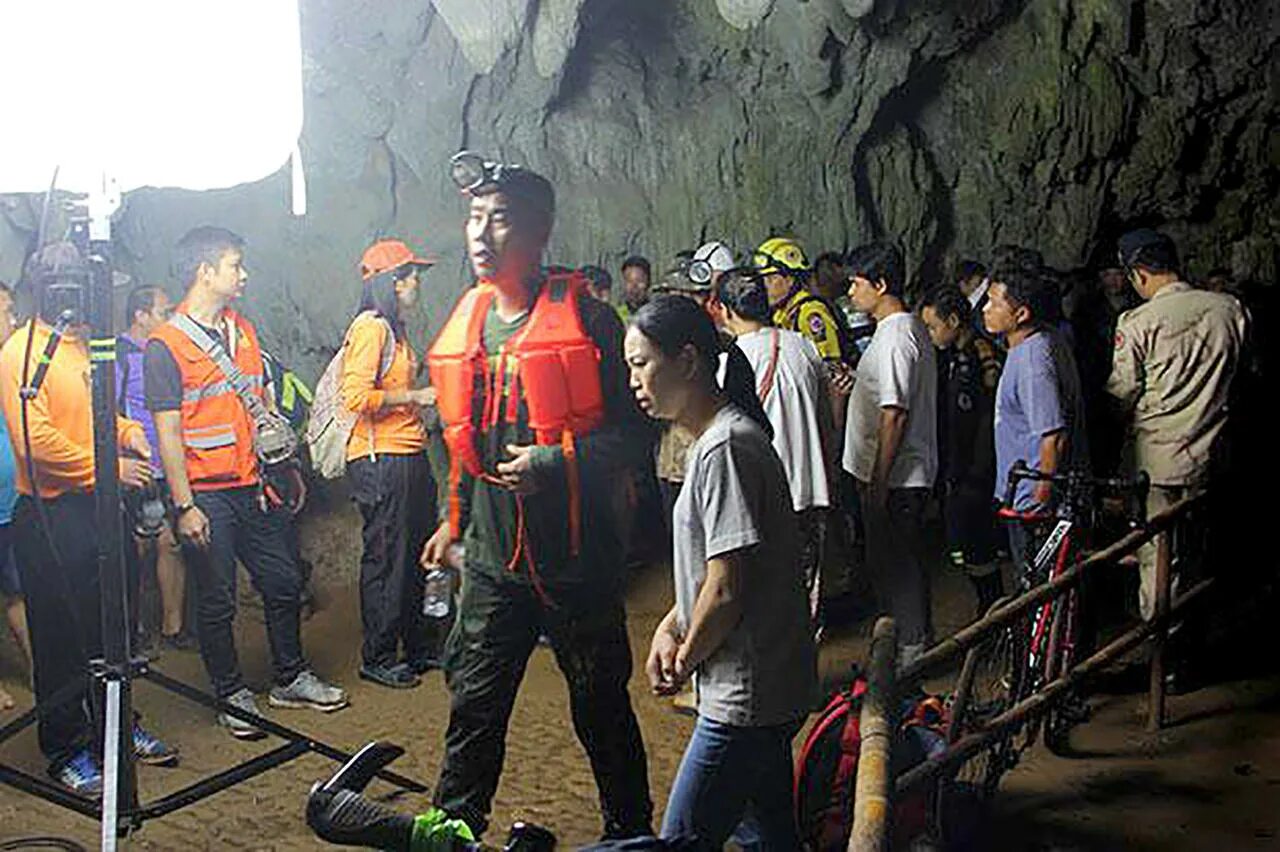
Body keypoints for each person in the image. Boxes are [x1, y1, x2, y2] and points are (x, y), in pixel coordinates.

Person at [422, 154, 652, 839]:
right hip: (494, 562)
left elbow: (637, 434)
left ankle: (629, 831)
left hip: (576, 562)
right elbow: (468, 439)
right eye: (473, 217)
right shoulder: (468, 318)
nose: (482, 234)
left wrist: (556, 461)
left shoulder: (590, 318)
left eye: (500, 219)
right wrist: (451, 519)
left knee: (600, 705)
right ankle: (455, 828)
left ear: (538, 230)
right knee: (475, 703)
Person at [627, 294, 816, 849]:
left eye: (641, 364)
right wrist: (673, 622)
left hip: (744, 696)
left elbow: (730, 586)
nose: (634, 381)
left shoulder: (726, 448)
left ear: (687, 360)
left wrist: (684, 660)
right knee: (769, 834)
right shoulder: (719, 440)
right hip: (760, 689)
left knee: (682, 839)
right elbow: (719, 568)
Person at [146, 226, 348, 740]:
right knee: (216, 599)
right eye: (235, 265)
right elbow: (168, 433)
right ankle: (231, 693)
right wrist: (184, 506)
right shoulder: (165, 347)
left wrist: (284, 470)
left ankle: (289, 677)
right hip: (205, 494)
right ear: (204, 271)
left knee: (282, 581)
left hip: (253, 484)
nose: (243, 275)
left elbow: (260, 407)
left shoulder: (243, 330)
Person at [0, 243, 176, 793]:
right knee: (62, 637)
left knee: (113, 627)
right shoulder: (22, 352)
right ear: (47, 288)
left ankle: (118, 730)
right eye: (68, 282)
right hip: (54, 515)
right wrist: (108, 467)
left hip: (103, 508)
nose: (77, 292)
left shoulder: (87, 348)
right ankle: (67, 748)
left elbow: (105, 414)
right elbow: (39, 444)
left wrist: (127, 433)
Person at [1106, 229, 1246, 622]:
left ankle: (1163, 653)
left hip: (1157, 463)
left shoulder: (1136, 321)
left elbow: (1122, 394)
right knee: (1202, 551)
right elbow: (1246, 373)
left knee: (1158, 560)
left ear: (1138, 274)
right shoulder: (1229, 309)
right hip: (1214, 455)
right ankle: (1195, 640)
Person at [342, 239, 439, 689]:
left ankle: (417, 646)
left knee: (416, 551)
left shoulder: (396, 330)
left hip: (408, 452)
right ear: (392, 282)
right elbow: (355, 397)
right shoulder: (371, 329)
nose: (416, 281)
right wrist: (414, 396)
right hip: (381, 459)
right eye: (410, 274)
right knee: (387, 558)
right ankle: (378, 656)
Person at [713, 268, 832, 630]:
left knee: (761, 593)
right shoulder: (803, 346)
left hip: (758, 496)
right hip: (809, 489)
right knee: (805, 587)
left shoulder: (726, 361)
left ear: (725, 310)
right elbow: (827, 418)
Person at [842, 242, 938, 664]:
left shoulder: (898, 335)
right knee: (893, 562)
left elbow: (894, 414)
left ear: (880, 284)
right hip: (893, 475)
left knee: (901, 565)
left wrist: (879, 481)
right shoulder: (895, 331)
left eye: (856, 283)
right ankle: (903, 642)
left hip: (899, 477)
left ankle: (913, 650)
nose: (850, 292)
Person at [983, 256, 1089, 573]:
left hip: (1034, 499)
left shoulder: (1032, 361)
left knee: (1039, 584)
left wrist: (1041, 499)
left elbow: (1053, 435)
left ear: (1021, 313)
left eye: (993, 302)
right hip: (1029, 489)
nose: (985, 309)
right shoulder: (1042, 341)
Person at [117, 285, 193, 654]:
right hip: (136, 468)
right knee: (136, 549)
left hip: (168, 463)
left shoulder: (166, 349)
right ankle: (132, 630)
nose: (168, 317)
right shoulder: (118, 355)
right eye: (162, 311)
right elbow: (108, 414)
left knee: (171, 543)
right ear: (140, 315)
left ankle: (173, 626)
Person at [920, 287, 1004, 613]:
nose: (930, 334)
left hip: (974, 471)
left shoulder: (978, 357)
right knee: (965, 545)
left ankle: (993, 608)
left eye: (933, 326)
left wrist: (975, 473)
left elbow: (984, 419)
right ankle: (988, 606)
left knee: (977, 544)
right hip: (959, 467)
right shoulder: (953, 356)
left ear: (953, 320)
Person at [0, 282, 31, 712]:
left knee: (21, 591)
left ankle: (42, 671)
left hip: (14, 502)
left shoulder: (13, 366)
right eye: (4, 312)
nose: (12, 321)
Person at [753, 237, 846, 363]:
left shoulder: (810, 313)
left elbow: (831, 363)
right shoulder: (780, 314)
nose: (764, 286)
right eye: (762, 279)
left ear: (790, 280)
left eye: (771, 278)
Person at [618, 255, 652, 324]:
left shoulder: (656, 313)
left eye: (639, 281)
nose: (634, 286)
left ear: (648, 282)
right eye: (629, 281)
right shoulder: (617, 316)